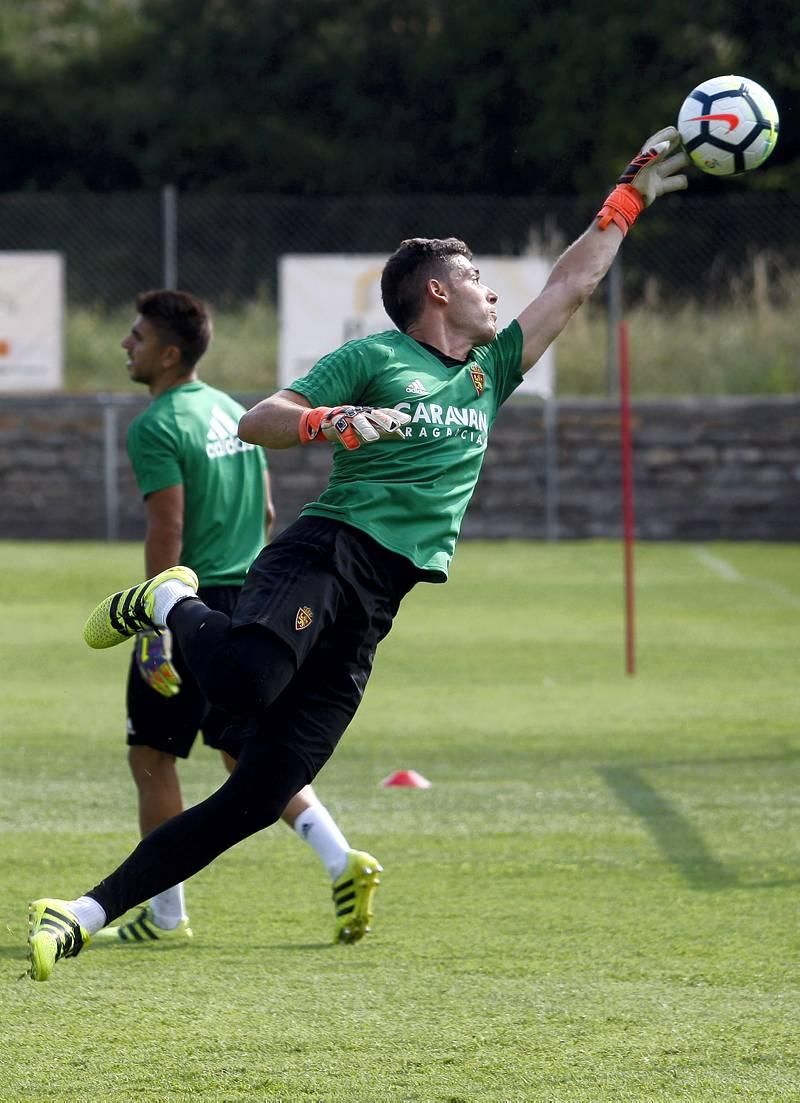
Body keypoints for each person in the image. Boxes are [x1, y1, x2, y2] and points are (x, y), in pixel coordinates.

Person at [27, 128, 689, 980]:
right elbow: (256, 417)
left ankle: (80, 914)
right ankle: (165, 601)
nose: (495, 292)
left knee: (260, 793)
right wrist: (327, 421)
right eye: (479, 278)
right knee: (241, 683)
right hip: (328, 552)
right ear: (439, 292)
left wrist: (628, 196)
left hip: (381, 597)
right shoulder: (374, 357)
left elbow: (575, 280)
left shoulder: (491, 369)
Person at [90, 289, 382, 950]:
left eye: (136, 337)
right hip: (255, 600)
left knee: (152, 756)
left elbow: (168, 528)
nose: (125, 346)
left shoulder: (157, 424)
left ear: (167, 353)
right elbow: (272, 515)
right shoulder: (232, 411)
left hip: (191, 608)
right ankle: (342, 859)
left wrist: (155, 626)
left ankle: (165, 916)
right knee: (246, 755)